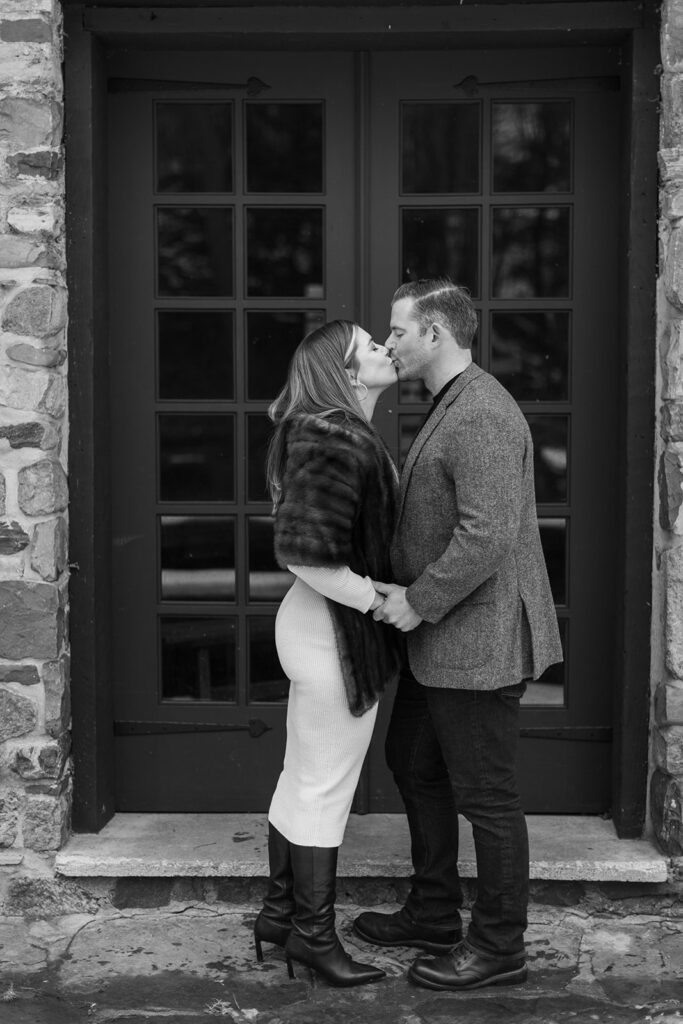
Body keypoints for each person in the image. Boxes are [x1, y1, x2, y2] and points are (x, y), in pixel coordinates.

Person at [353, 278, 563, 992]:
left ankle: (499, 946)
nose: (389, 344)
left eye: (399, 331)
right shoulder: (449, 404)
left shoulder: (481, 413)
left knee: (488, 797)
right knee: (412, 763)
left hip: (474, 636)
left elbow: (486, 536)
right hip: (437, 635)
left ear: (436, 334)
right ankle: (434, 912)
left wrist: (418, 599)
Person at [254, 319, 401, 987]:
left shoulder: (334, 432)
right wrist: (375, 599)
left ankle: (280, 918)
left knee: (300, 775)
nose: (384, 350)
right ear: (344, 372)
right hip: (328, 635)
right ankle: (313, 940)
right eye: (370, 346)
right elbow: (304, 553)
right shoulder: (332, 438)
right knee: (323, 787)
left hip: (318, 630)